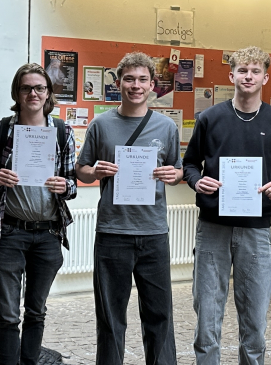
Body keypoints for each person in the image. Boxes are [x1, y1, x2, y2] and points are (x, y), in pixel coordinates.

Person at [182, 46, 271, 365]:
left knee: (255, 323)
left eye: (255, 71)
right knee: (207, 318)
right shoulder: (209, 118)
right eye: (242, 71)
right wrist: (196, 180)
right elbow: (190, 164)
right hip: (212, 229)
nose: (248, 76)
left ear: (265, 77)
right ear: (231, 76)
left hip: (256, 231)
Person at [75, 52, 182, 365]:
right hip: (112, 233)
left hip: (153, 234)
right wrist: (94, 172)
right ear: (118, 82)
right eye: (129, 79)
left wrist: (171, 175)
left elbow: (178, 170)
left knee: (159, 316)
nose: (136, 85)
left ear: (152, 85)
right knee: (110, 318)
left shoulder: (166, 127)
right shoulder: (101, 125)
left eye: (142, 80)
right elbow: (81, 170)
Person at [0, 63, 78, 365]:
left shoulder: (62, 131)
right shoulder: (0, 131)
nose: (33, 93)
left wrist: (65, 185)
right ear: (17, 93)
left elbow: (73, 183)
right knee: (8, 313)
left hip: (48, 233)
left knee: (37, 310)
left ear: (48, 93)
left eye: (39, 88)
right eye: (26, 88)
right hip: (10, 232)